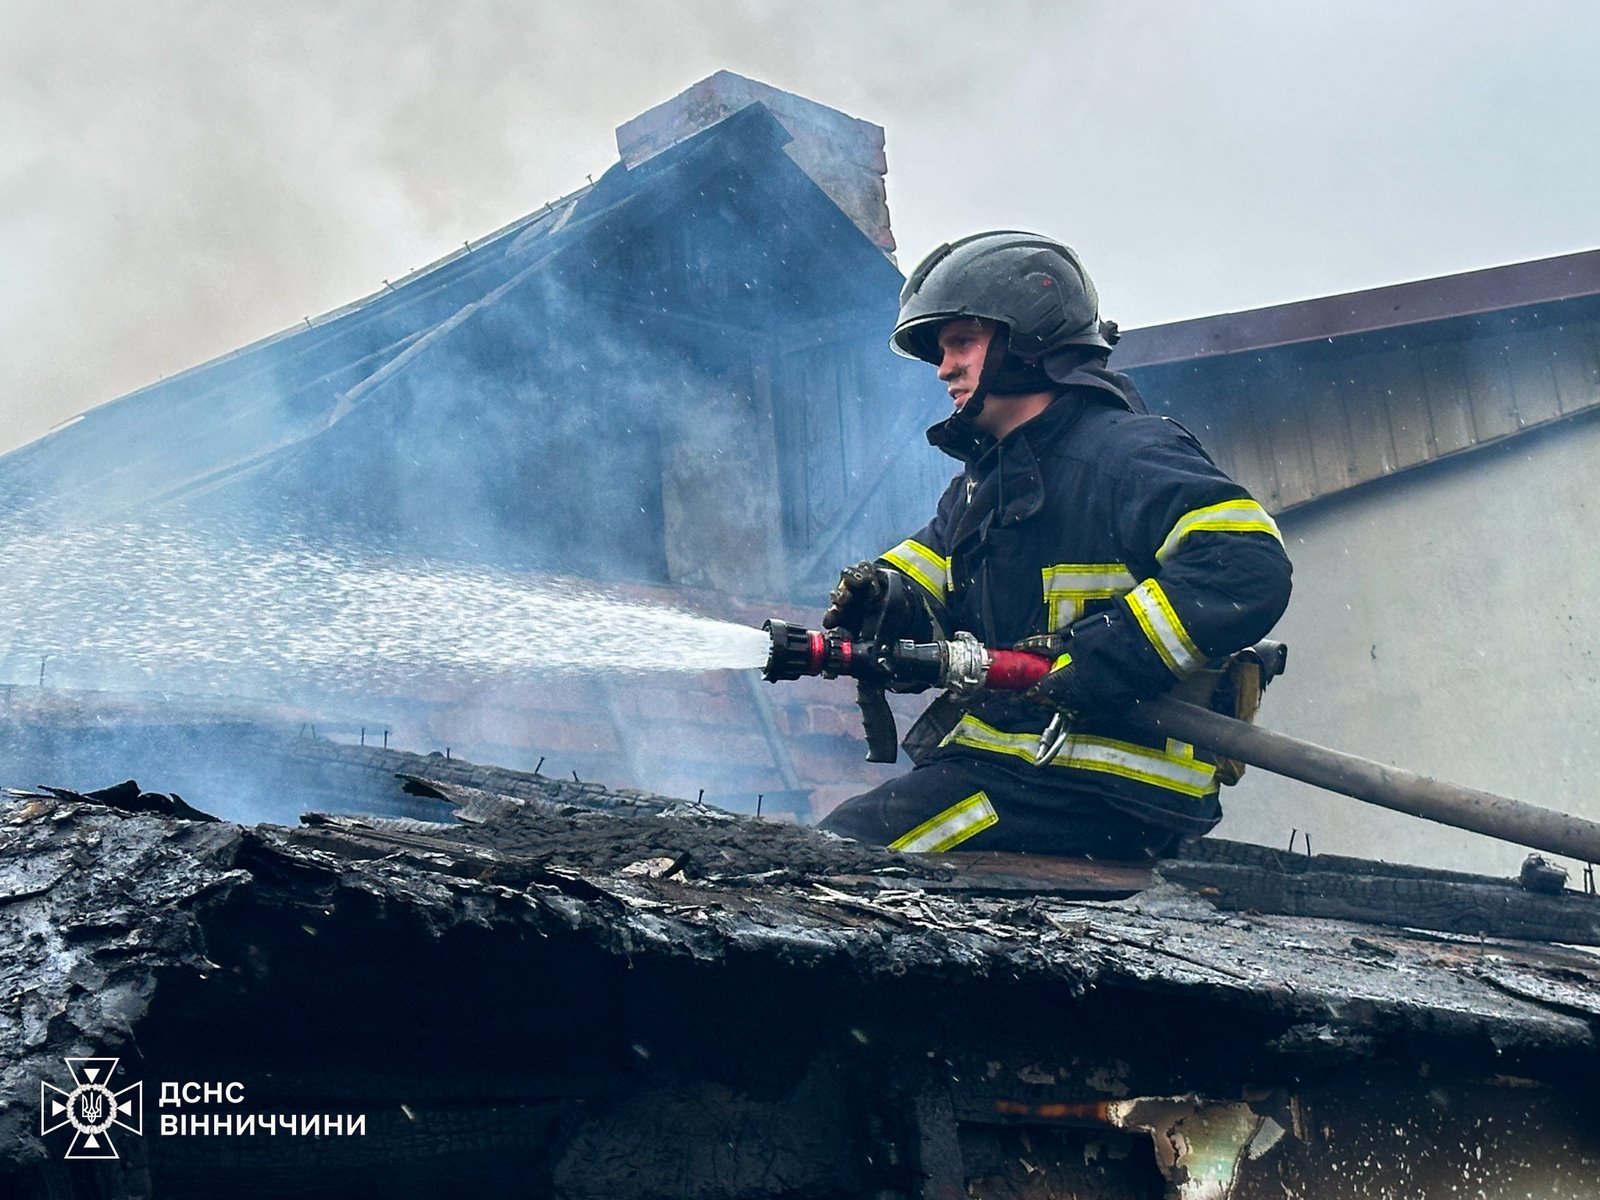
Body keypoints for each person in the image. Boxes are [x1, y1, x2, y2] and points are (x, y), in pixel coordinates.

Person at [816, 232, 1293, 858]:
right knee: (839, 847)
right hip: (1018, 769)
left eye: (962, 341)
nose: (944, 367)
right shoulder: (983, 487)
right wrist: (886, 599)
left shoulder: (1127, 454)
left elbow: (1245, 564)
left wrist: (1107, 657)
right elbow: (931, 575)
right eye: (941, 349)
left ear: (1027, 341)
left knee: (840, 857)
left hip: (1105, 784)